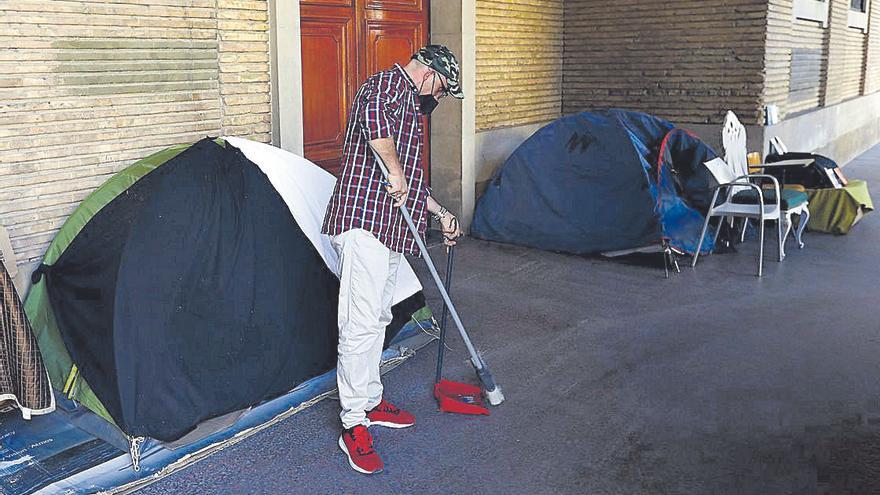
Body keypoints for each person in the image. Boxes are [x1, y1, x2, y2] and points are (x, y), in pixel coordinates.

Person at [322, 45, 464, 474]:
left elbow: (411, 183)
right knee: (360, 323)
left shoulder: (409, 104)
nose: (437, 100)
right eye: (441, 90)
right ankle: (353, 423)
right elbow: (376, 130)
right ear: (427, 75)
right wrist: (396, 172)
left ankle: (370, 398)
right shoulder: (385, 86)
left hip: (388, 230)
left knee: (378, 317)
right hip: (363, 225)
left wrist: (440, 215)